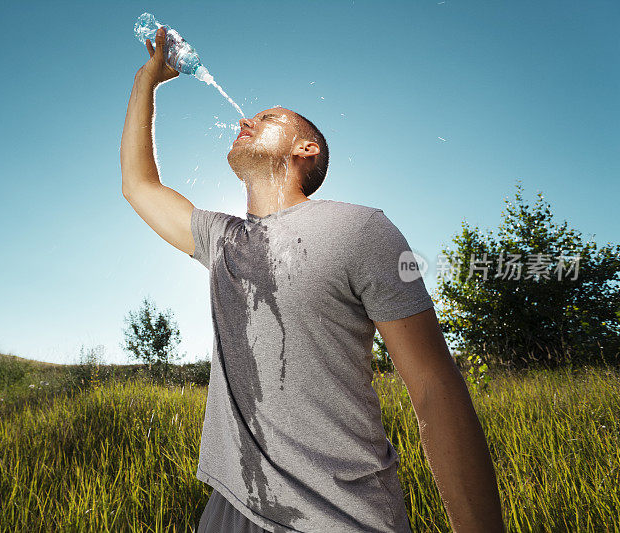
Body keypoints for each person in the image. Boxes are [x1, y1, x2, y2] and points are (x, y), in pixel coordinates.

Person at [121, 27, 505, 533]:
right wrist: (144, 84)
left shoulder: (363, 229)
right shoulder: (222, 239)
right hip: (232, 508)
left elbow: (434, 385)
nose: (245, 120)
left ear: (306, 149)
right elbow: (138, 186)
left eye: (268, 118)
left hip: (341, 517)